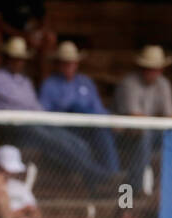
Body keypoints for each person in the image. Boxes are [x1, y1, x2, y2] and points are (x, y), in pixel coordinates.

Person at [0, 37, 117, 190]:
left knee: (74, 142)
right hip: (12, 127)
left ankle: (94, 181)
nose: (17, 62)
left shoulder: (25, 82)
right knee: (49, 138)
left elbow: (37, 108)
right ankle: (98, 175)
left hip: (35, 123)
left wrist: (49, 121)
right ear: (6, 59)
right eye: (14, 59)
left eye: (20, 59)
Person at [39, 40, 120, 174]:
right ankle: (102, 175)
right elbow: (44, 113)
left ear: (77, 63)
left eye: (72, 62)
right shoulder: (50, 84)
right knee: (77, 111)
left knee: (103, 131)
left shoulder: (85, 82)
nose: (69, 66)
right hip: (65, 128)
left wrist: (111, 120)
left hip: (91, 128)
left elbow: (98, 108)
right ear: (58, 64)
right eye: (65, 63)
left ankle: (111, 173)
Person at [115, 45, 172, 192]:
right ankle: (136, 187)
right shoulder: (129, 83)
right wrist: (160, 122)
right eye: (149, 68)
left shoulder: (164, 84)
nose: (153, 72)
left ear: (161, 69)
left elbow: (171, 115)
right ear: (142, 68)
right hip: (125, 135)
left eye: (156, 68)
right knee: (144, 135)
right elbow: (134, 117)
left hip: (152, 131)